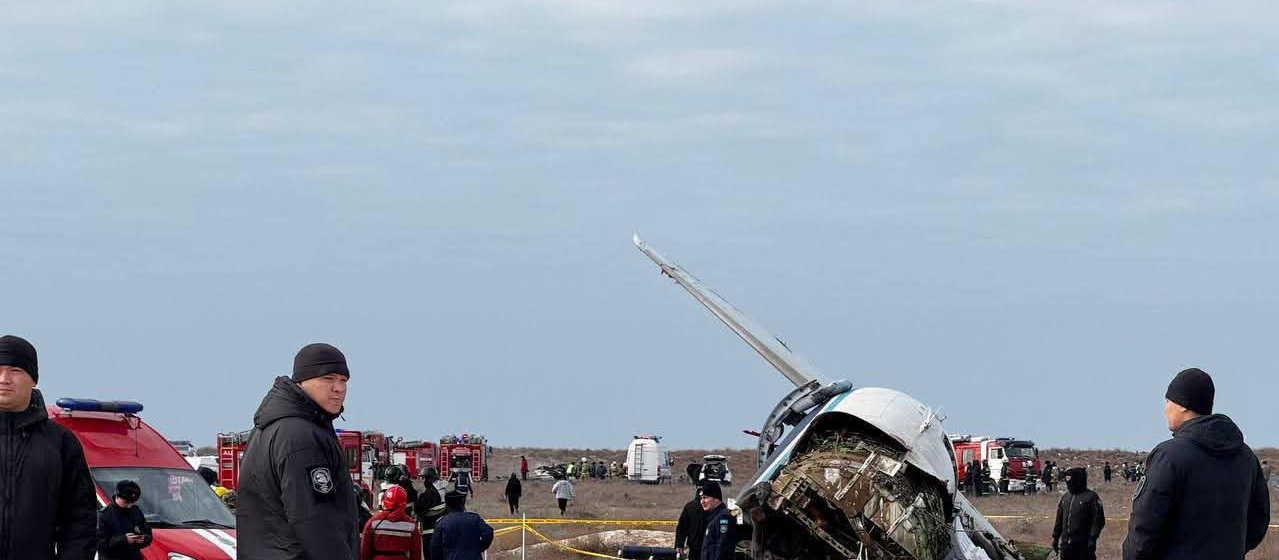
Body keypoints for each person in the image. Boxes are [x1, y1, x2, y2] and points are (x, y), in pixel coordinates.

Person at [1122, 368, 1270, 560]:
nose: (1165, 409)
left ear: (1183, 405)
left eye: (1168, 401)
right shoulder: (1246, 457)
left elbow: (1144, 527)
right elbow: (1259, 520)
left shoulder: (1169, 456)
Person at [236, 343, 358, 560]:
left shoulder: (270, 428)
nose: (338, 388)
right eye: (328, 378)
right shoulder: (301, 437)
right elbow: (316, 522)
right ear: (302, 381)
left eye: (344, 380)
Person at [0, 334, 97, 560]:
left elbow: (80, 519)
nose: (4, 378)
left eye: (15, 371)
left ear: (33, 378)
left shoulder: (60, 443)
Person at [1052, 467, 1104, 560]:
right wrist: (1055, 537)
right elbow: (1059, 518)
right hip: (1065, 545)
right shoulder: (1066, 497)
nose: (1069, 484)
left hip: (1084, 545)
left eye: (1071, 481)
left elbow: (1098, 521)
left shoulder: (1091, 497)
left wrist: (1092, 539)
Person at [361, 485, 422, 560]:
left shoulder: (373, 522)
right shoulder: (411, 525)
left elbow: (365, 549)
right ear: (404, 504)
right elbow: (416, 553)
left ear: (384, 502)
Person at [96, 480, 153, 560]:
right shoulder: (104, 515)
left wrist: (143, 539)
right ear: (117, 497)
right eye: (126, 502)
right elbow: (99, 543)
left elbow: (148, 533)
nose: (129, 505)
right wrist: (123, 539)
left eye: (132, 502)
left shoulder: (136, 511)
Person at [430, 491, 493, 560]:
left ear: (447, 505)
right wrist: (480, 547)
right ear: (462, 504)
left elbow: (435, 547)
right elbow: (488, 533)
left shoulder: (441, 522)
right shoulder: (474, 518)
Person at [699, 482, 736, 560]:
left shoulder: (723, 517)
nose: (702, 501)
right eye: (701, 498)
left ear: (716, 498)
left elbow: (722, 547)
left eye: (705, 497)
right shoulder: (714, 517)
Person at [415, 467, 447, 560]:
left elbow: (419, 509)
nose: (423, 481)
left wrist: (418, 501)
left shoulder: (430, 492)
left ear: (429, 478)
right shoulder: (442, 490)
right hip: (441, 530)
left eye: (423, 478)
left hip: (429, 532)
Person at [675, 487, 708, 560]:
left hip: (710, 548)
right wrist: (679, 544)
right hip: (694, 548)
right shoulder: (690, 506)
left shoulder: (715, 508)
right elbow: (682, 527)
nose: (703, 501)